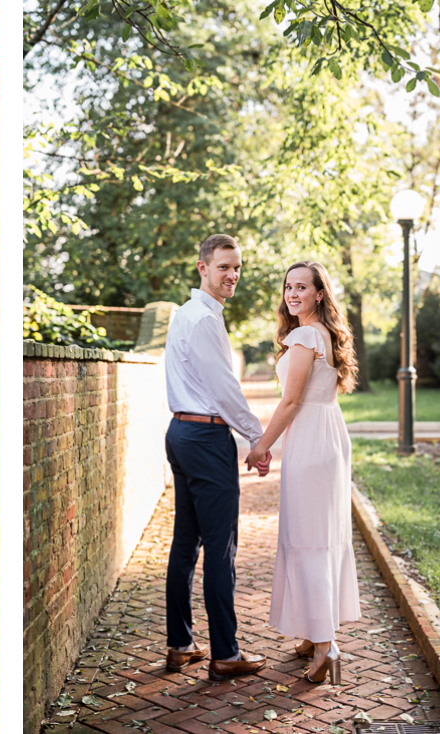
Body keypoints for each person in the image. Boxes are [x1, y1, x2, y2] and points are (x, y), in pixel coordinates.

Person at [245, 261, 361, 684]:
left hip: (312, 440)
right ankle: (315, 634)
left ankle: (326, 645)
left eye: (302, 287)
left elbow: (291, 401)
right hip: (328, 435)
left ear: (318, 294)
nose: (292, 294)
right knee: (322, 539)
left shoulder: (304, 335)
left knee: (308, 541)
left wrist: (261, 445)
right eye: (288, 286)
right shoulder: (326, 334)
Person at [163, 234, 271, 681]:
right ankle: (225, 652)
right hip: (205, 440)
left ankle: (181, 645)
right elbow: (224, 389)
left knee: (186, 543)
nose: (232, 275)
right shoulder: (203, 320)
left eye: (238, 268)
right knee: (220, 549)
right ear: (202, 267)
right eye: (224, 266)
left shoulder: (185, 314)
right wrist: (257, 437)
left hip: (181, 433)